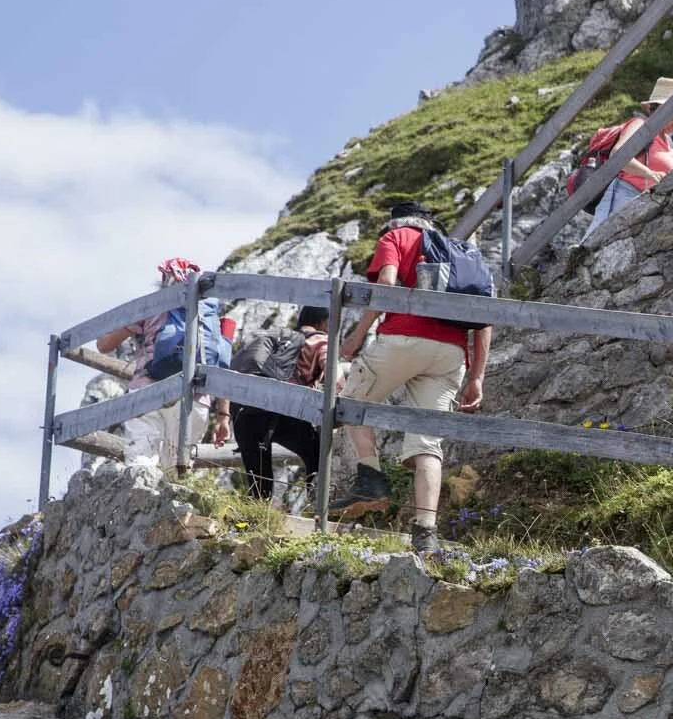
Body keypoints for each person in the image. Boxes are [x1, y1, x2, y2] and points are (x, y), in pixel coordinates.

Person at [329, 200, 492, 554]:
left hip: (403, 340)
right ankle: (426, 533)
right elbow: (485, 318)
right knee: (427, 446)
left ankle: (371, 478)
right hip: (450, 355)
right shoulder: (460, 254)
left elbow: (386, 285)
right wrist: (477, 377)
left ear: (396, 221)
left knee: (351, 403)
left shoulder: (397, 237)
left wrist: (357, 336)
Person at [95, 257, 229, 467]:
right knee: (175, 469)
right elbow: (221, 365)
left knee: (141, 461)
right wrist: (223, 416)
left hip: (147, 391)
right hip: (197, 399)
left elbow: (104, 345)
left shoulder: (152, 307)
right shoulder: (208, 316)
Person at [229, 307, 331, 503]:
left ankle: (255, 525)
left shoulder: (276, 339)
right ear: (322, 323)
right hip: (283, 412)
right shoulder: (319, 340)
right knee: (317, 454)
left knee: (259, 484)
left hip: (245, 411)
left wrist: (225, 415)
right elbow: (334, 377)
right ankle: (319, 510)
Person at [582, 78, 673, 238]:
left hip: (646, 207)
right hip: (623, 196)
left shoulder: (668, 142)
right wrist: (649, 174)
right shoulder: (640, 126)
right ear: (660, 109)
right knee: (596, 248)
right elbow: (618, 156)